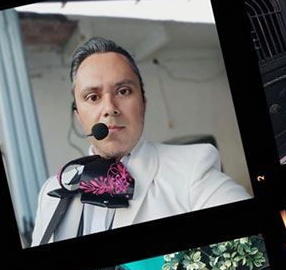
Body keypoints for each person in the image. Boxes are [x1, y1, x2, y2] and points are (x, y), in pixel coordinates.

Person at [31, 37, 250, 246]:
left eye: (123, 91)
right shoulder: (53, 190)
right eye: (93, 97)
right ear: (78, 115)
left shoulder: (193, 167)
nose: (109, 108)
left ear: (143, 103)